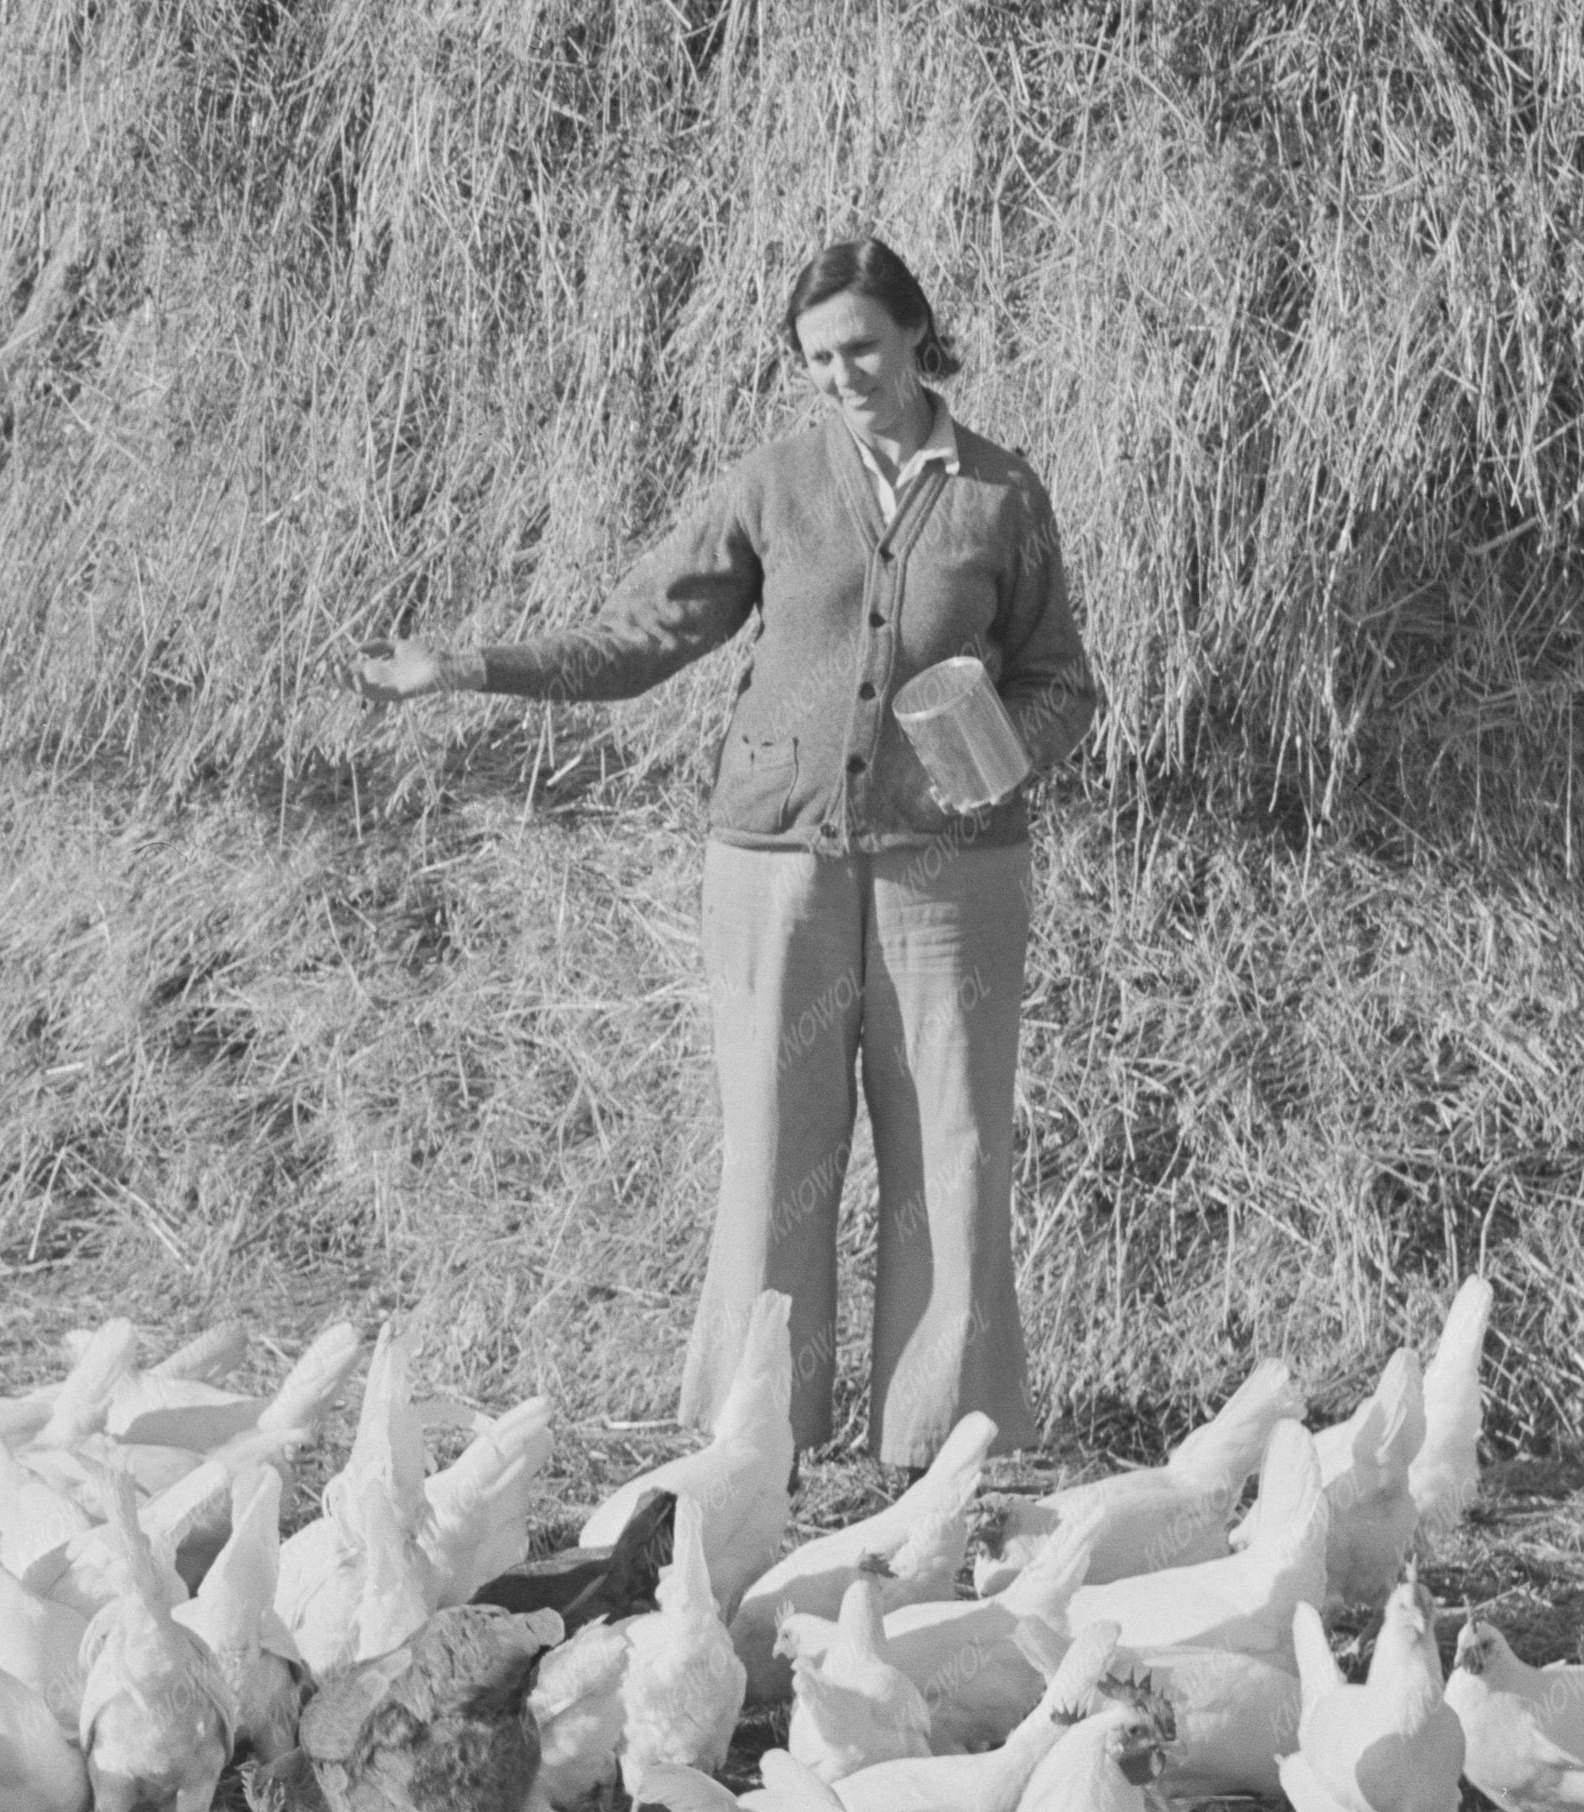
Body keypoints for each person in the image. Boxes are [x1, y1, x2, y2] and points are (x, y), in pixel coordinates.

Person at [356, 235, 1099, 1473]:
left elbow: (1063, 681)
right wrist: (470, 666)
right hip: (774, 869)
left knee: (953, 1157)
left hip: (950, 880)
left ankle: (942, 1456)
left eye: (860, 346)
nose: (841, 376)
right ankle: (758, 1441)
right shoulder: (775, 482)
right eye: (816, 359)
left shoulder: (999, 497)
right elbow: (645, 634)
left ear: (916, 335)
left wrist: (1001, 752)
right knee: (774, 1148)